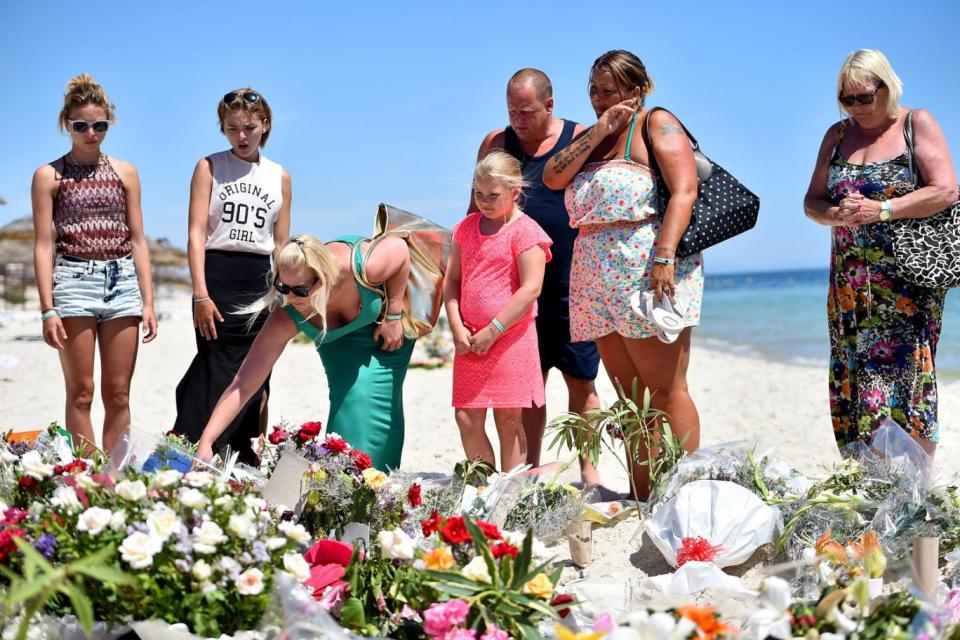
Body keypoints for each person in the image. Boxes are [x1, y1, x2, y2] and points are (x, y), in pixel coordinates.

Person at [542, 50, 704, 499]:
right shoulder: (594, 134)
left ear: (636, 89)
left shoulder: (656, 122)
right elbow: (553, 178)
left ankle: (686, 492)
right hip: (595, 275)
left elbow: (684, 191)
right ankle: (644, 492)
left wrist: (665, 256)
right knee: (629, 396)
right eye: (593, 88)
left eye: (608, 90)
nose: (598, 97)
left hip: (645, 266)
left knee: (665, 388)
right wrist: (601, 127)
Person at [803, 49, 957, 456]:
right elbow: (812, 203)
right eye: (846, 99)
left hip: (905, 280)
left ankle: (913, 485)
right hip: (849, 285)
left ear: (887, 87)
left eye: (864, 97)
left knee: (907, 376)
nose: (855, 107)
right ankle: (871, 478)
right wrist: (837, 213)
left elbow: (945, 189)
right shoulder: (836, 136)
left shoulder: (915, 123)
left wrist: (882, 209)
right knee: (856, 371)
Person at [472, 68, 602, 485]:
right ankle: (529, 473)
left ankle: (590, 473)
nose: (518, 121)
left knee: (582, 380)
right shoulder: (497, 143)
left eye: (527, 111)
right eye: (512, 111)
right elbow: (476, 214)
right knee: (528, 386)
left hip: (572, 282)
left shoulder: (580, 137)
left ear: (550, 105)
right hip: (512, 288)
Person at [195, 234, 414, 469]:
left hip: (387, 326)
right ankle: (351, 486)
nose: (288, 297)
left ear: (324, 278)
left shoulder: (362, 268)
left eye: (300, 290)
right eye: (282, 287)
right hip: (337, 341)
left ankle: (380, 484)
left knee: (383, 405)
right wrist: (207, 440)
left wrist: (393, 314)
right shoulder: (287, 313)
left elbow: (400, 249)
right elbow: (243, 383)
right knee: (352, 404)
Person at [31, 73, 158, 452]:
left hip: (122, 283)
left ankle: (116, 481)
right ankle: (87, 478)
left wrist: (148, 302)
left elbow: (138, 239)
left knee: (118, 393)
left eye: (99, 125)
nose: (90, 132)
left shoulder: (125, 172)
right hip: (72, 281)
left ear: (109, 125)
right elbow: (42, 245)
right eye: (81, 125)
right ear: (66, 125)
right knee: (81, 392)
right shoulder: (48, 176)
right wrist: (46, 310)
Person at [173, 88, 291, 461]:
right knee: (214, 363)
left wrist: (285, 291)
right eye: (232, 128)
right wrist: (200, 293)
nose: (241, 135)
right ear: (223, 129)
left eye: (250, 127)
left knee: (258, 369)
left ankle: (241, 453)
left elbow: (281, 242)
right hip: (218, 273)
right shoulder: (209, 166)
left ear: (265, 126)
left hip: (260, 279)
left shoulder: (280, 176)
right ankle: (198, 444)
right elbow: (195, 233)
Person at [447, 151, 552, 471]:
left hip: (510, 338)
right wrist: (455, 327)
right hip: (469, 340)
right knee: (466, 416)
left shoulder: (526, 231)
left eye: (493, 195)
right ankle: (483, 486)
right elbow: (452, 281)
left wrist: (493, 330)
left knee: (509, 420)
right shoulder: (465, 228)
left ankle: (508, 495)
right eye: (479, 194)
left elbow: (531, 288)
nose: (484, 201)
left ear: (515, 192)